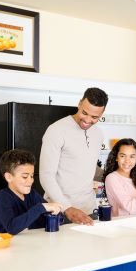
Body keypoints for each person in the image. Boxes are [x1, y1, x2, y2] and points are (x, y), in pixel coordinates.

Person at [39, 87, 108, 225]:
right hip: (59, 212)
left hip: (89, 211)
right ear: (79, 103)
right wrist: (67, 208)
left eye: (95, 117)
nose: (87, 120)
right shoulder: (56, 131)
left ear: (102, 113)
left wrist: (112, 176)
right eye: (85, 113)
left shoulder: (98, 134)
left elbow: (88, 166)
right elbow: (46, 176)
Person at [0, 149, 62, 235]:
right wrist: (41, 208)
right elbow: (12, 228)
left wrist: (56, 214)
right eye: (24, 177)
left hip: (25, 244)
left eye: (31, 176)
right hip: (1, 246)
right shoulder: (2, 198)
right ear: (8, 177)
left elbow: (45, 216)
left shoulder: (32, 194)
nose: (30, 181)